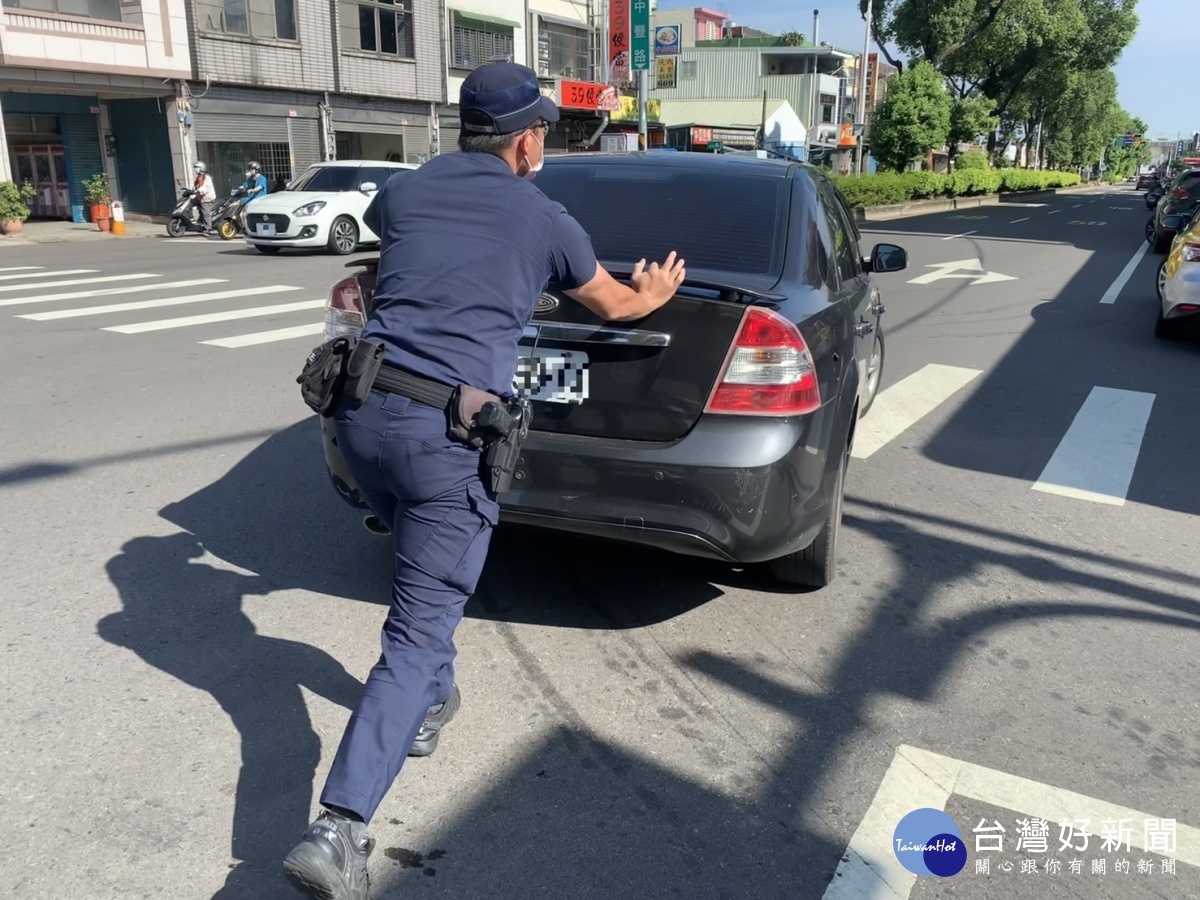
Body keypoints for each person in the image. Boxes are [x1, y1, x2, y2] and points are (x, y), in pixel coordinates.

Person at [281, 61, 685, 900]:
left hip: (360, 418)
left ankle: (428, 705)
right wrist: (655, 292)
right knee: (417, 630)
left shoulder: (403, 193)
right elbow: (611, 306)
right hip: (444, 438)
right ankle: (341, 827)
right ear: (529, 139)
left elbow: (410, 252)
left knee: (423, 585)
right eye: (543, 131)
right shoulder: (543, 217)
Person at [192, 161, 216, 232]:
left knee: (206, 214)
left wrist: (199, 191)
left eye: (197, 168)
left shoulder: (206, 177)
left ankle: (208, 228)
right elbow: (195, 186)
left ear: (201, 168)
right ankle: (199, 223)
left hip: (207, 199)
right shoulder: (199, 177)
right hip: (200, 197)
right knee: (192, 205)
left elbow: (205, 187)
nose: (195, 169)